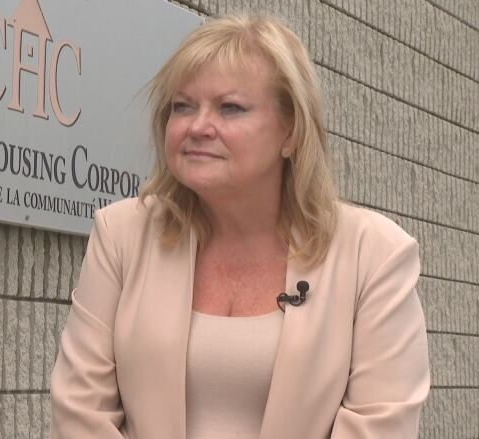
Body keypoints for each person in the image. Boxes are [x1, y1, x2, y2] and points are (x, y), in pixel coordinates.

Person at [50, 15, 430, 439]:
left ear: (291, 132)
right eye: (182, 106)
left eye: (230, 107)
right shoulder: (121, 234)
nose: (198, 127)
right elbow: (79, 411)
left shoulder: (374, 255)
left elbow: (381, 425)